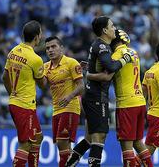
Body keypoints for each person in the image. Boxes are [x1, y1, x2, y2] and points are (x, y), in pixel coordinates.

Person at [66, 16, 133, 167]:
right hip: (96, 97)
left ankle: (68, 164)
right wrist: (125, 58)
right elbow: (111, 68)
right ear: (104, 30)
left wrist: (89, 72)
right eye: (112, 26)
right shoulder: (102, 46)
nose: (114, 28)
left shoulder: (101, 45)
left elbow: (101, 70)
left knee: (90, 138)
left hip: (93, 95)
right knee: (99, 136)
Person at [87, 29, 153, 167]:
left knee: (126, 146)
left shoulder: (116, 56)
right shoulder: (134, 52)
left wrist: (88, 74)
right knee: (138, 142)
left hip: (126, 104)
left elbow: (107, 77)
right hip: (140, 101)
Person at [2, 20, 44, 167]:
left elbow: (4, 77)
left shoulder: (13, 51)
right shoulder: (35, 59)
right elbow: (43, 85)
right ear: (37, 37)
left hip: (16, 103)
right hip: (24, 106)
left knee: (38, 137)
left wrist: (12, 94)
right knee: (25, 144)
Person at [42, 36, 84, 167]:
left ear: (61, 48)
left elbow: (81, 86)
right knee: (63, 146)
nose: (50, 50)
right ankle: (70, 163)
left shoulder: (72, 63)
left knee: (62, 142)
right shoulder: (45, 67)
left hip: (70, 106)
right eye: (48, 48)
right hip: (56, 108)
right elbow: (43, 86)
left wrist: (69, 97)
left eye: (53, 46)